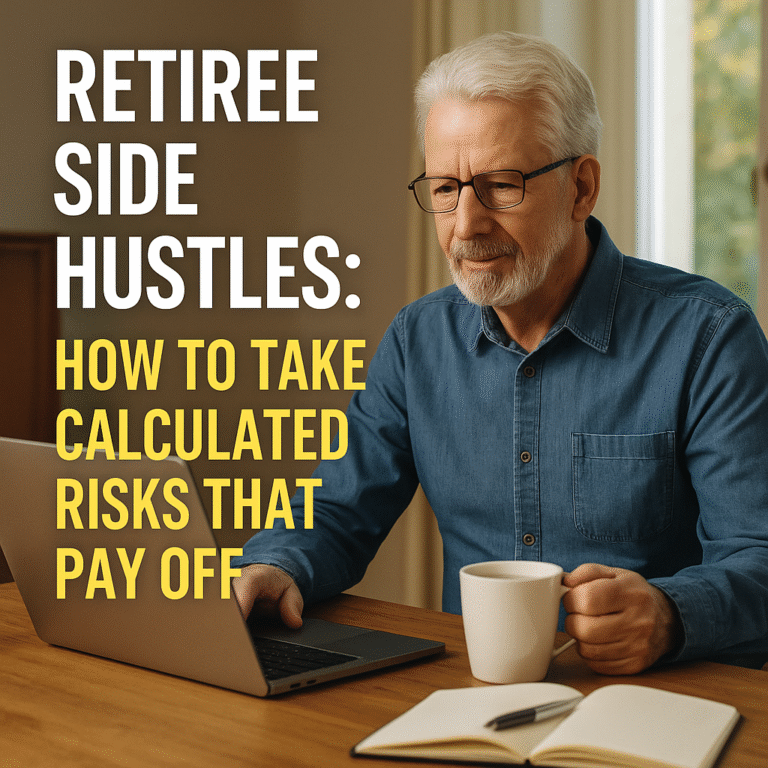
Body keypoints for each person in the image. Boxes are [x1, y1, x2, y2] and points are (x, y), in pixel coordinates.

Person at [233, 31, 768, 674]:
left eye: (500, 185)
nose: (466, 224)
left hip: (659, 704)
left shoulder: (709, 338)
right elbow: (337, 510)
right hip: (470, 702)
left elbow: (758, 557)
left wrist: (672, 613)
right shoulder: (416, 341)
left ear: (582, 188)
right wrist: (275, 564)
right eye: (445, 188)